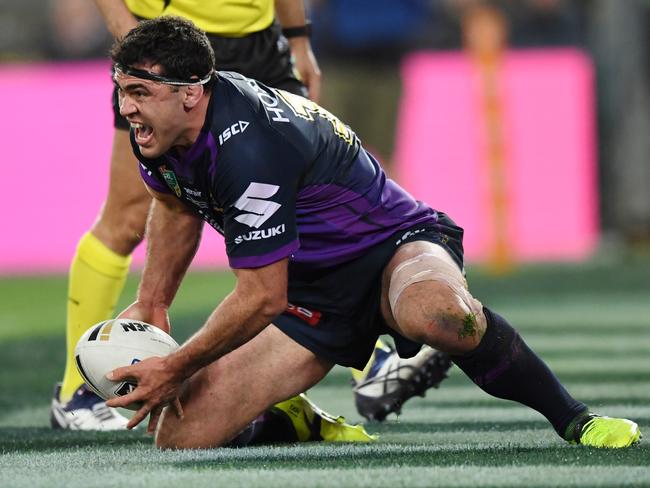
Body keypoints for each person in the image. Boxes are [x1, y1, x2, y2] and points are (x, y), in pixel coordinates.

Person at [101, 16, 642, 450]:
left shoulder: (250, 147)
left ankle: (576, 419)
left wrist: (175, 366)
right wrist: (152, 303)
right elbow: (173, 205)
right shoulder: (158, 129)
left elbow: (264, 295)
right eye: (122, 90)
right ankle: (292, 421)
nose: (127, 109)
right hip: (315, 291)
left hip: (392, 247)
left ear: (191, 94)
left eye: (140, 92)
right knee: (179, 438)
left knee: (441, 315)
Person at [52, 0, 450, 432]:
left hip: (259, 42)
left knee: (299, 201)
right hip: (167, 51)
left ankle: (368, 358)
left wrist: (297, 37)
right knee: (130, 218)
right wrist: (132, 41)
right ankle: (78, 394)